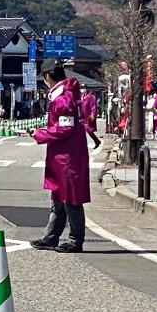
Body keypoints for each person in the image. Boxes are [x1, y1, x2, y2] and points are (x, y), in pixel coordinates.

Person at [29, 59, 90, 253]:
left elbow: (64, 128)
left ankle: (75, 239)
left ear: (48, 76)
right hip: (65, 153)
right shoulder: (67, 94)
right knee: (59, 195)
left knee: (71, 197)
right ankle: (51, 237)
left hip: (67, 155)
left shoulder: (63, 98)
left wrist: (40, 134)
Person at [79, 84, 100, 149]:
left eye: (83, 87)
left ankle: (96, 141)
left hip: (88, 116)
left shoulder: (91, 97)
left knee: (88, 130)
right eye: (81, 88)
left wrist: (93, 115)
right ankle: (83, 144)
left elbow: (93, 107)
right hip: (82, 116)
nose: (82, 89)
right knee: (81, 130)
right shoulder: (81, 96)